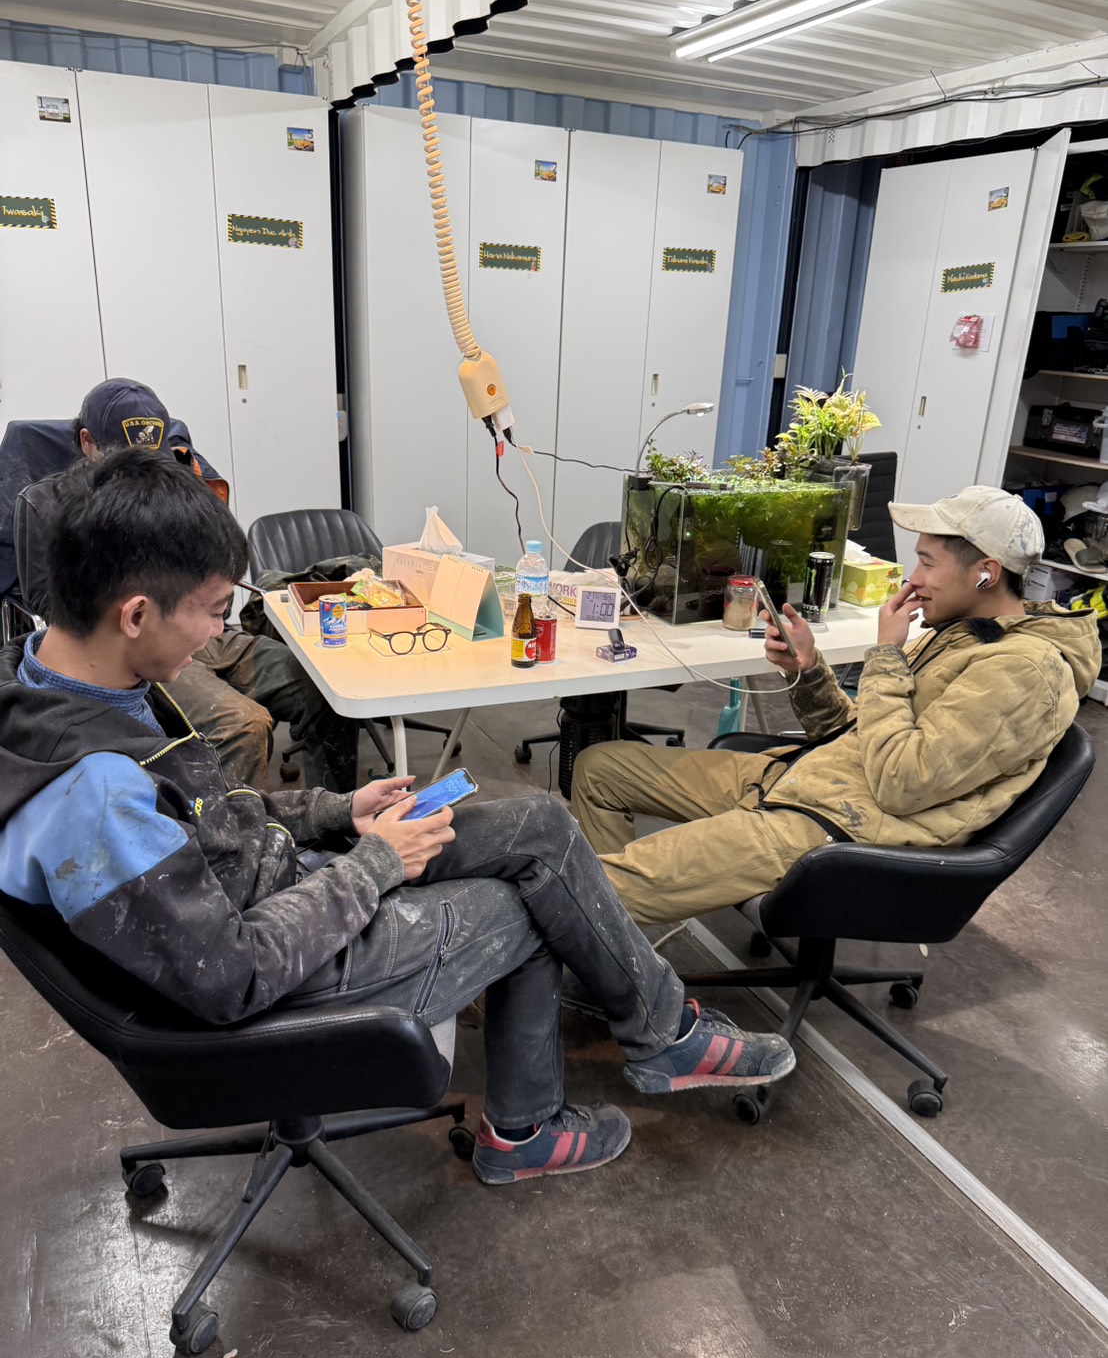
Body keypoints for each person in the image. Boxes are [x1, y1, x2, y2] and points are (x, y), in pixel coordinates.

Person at [0, 448, 796, 1186]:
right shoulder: (97, 797)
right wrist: (375, 863)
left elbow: (214, 817)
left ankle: (664, 1031)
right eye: (211, 613)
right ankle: (526, 1131)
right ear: (135, 614)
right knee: (526, 905)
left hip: (286, 892)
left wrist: (340, 809)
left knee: (541, 827)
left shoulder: (84, 687)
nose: (219, 633)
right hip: (281, 978)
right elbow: (233, 975)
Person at [572, 485, 1100, 926]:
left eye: (927, 563)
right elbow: (864, 733)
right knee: (601, 768)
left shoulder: (1024, 671)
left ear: (985, 571)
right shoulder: (965, 634)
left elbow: (902, 780)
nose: (913, 580)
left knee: (589, 887)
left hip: (840, 828)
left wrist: (887, 655)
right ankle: (612, 948)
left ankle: (610, 956)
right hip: (809, 781)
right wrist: (807, 670)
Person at [9, 378, 358, 792]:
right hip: (142, 639)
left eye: (151, 460)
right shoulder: (51, 506)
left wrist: (205, 609)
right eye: (128, 462)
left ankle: (336, 810)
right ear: (87, 442)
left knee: (323, 686)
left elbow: (217, 578)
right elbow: (59, 609)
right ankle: (226, 826)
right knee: (241, 723)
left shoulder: (176, 489)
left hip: (195, 627)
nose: (143, 477)